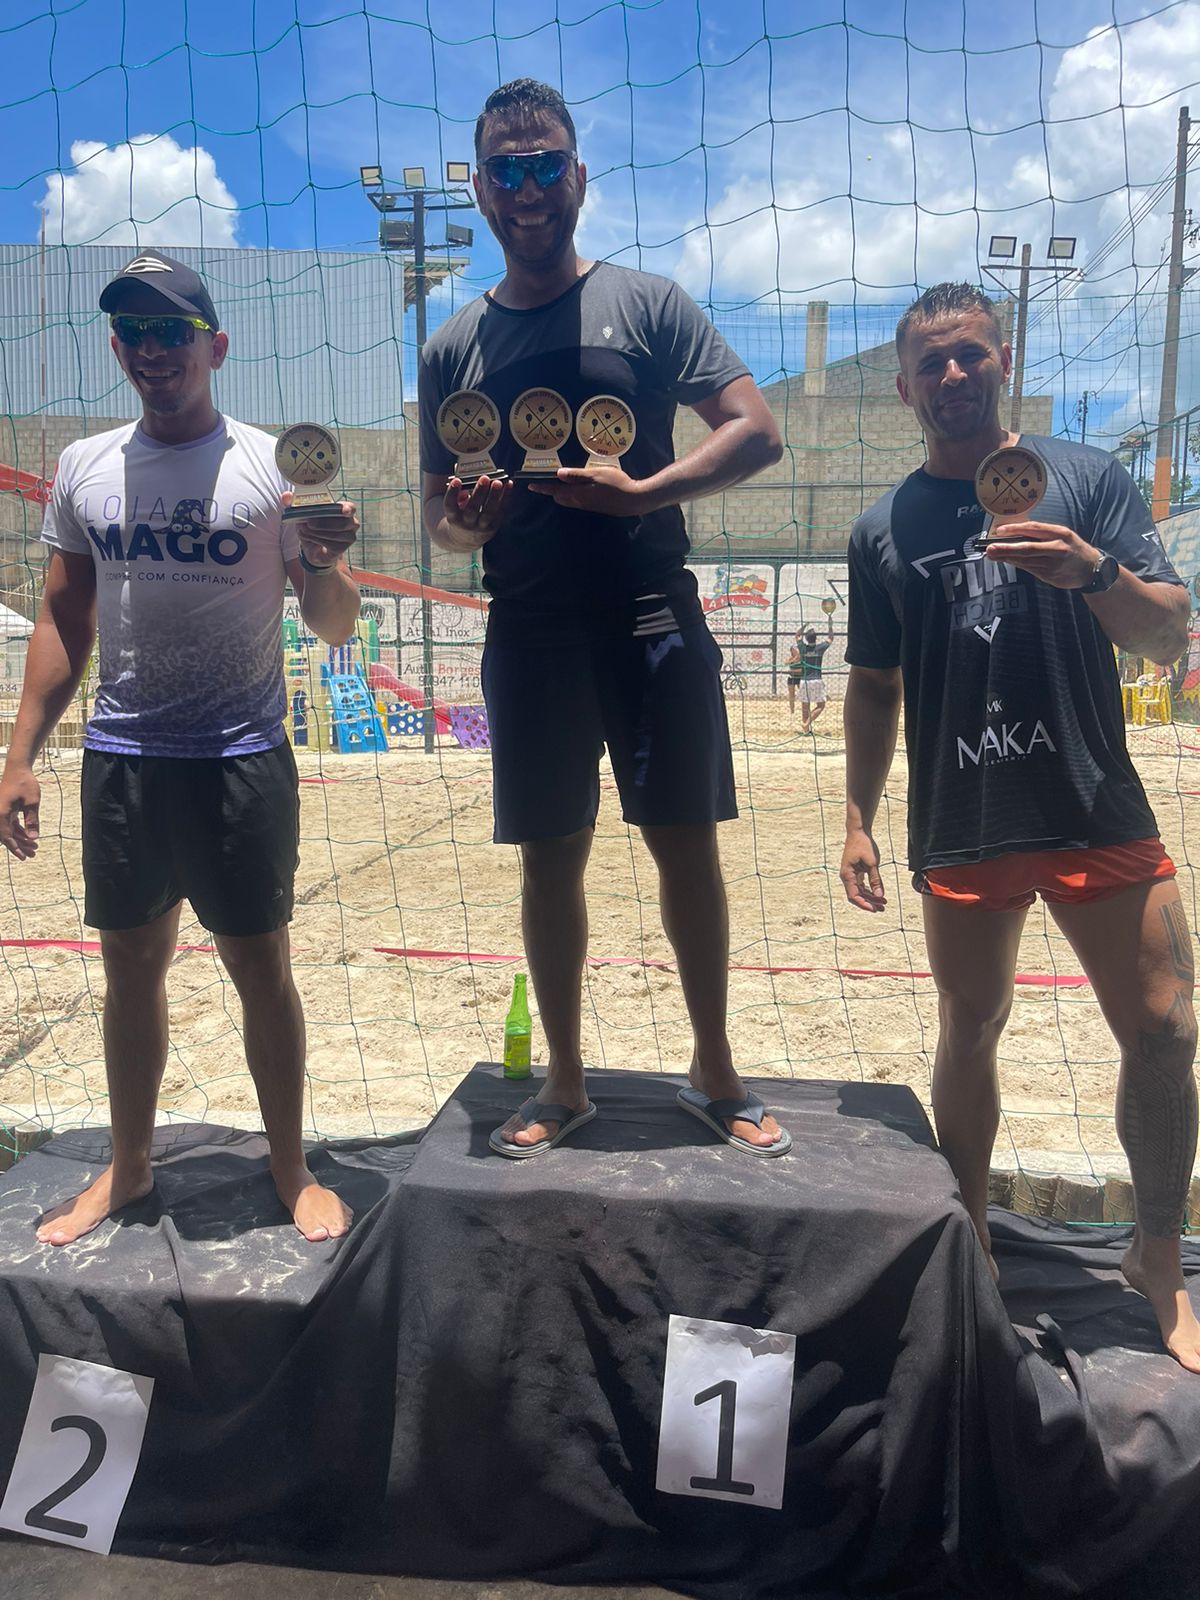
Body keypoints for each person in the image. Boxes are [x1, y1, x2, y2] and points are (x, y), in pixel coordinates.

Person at [419, 79, 790, 1159]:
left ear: (579, 177)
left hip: (649, 613)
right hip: (530, 627)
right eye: (507, 170)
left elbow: (756, 429)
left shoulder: (650, 304)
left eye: (547, 165)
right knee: (549, 860)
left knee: (686, 847)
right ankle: (566, 1081)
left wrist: (646, 493)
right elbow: (437, 520)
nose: (529, 188)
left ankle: (714, 1069)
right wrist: (468, 524)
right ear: (481, 190)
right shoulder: (452, 349)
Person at [839, 281, 1200, 1372]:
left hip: (1093, 798)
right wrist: (856, 818)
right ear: (904, 388)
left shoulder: (1085, 479)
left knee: (1168, 1027)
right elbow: (873, 685)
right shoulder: (882, 527)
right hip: (966, 815)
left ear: (1007, 360)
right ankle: (975, 1240)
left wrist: (1092, 571)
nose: (953, 374)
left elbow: (1168, 637)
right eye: (931, 362)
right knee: (971, 1025)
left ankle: (1155, 1256)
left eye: (971, 354)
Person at [0, 251, 362, 1246]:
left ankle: (289, 1167)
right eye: (134, 331)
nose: (153, 348)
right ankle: (128, 1166)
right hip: (124, 755)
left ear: (216, 346)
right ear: (117, 349)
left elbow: (333, 625)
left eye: (172, 330)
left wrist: (325, 563)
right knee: (130, 968)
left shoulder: (272, 469)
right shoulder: (86, 468)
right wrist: (21, 752)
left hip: (240, 756)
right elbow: (63, 617)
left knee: (260, 967)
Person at [786, 618, 834, 729]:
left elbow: (797, 635)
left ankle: (806, 728)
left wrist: (804, 626)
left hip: (804, 680)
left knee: (805, 707)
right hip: (816, 679)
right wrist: (830, 626)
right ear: (815, 638)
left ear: (806, 639)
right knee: (821, 705)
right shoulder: (819, 648)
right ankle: (807, 723)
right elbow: (830, 638)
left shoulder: (803, 648)